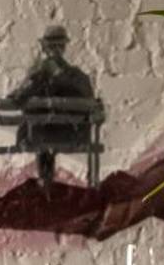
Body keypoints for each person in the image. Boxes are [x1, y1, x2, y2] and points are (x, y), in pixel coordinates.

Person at [7, 23, 97, 188]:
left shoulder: (40, 75)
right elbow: (90, 104)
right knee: (40, 122)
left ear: (45, 47)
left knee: (36, 121)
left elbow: (18, 99)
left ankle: (44, 180)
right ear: (64, 47)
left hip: (40, 135)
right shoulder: (79, 77)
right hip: (74, 136)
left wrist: (32, 77)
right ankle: (46, 181)